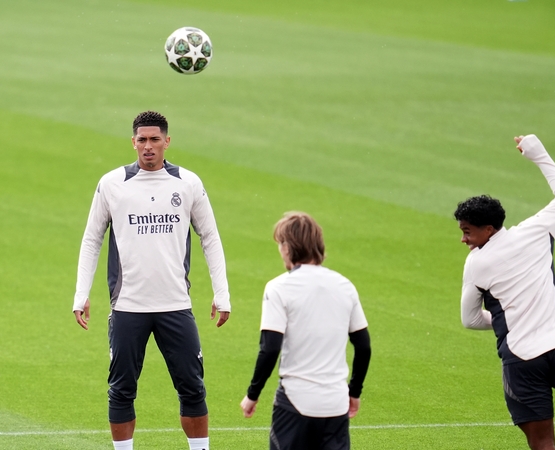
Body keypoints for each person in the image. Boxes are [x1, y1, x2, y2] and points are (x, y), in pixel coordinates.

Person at [73, 111, 231, 450]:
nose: (148, 147)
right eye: (142, 140)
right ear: (133, 142)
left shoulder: (187, 183)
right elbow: (91, 239)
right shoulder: (112, 184)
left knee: (192, 386)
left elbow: (210, 237)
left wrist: (222, 293)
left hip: (175, 305)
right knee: (122, 389)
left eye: (155, 139)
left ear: (167, 142)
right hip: (128, 306)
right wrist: (81, 294)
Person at [456, 135, 555, 450]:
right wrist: (538, 153)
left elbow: (470, 319)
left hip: (522, 360)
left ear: (488, 229)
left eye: (467, 231)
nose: (463, 239)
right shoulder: (537, 230)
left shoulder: (476, 264)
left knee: (543, 443)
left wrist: (502, 319)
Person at [240, 212, 371, 450]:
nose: (280, 251)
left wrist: (253, 394)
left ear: (289, 247)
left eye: (280, 244)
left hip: (295, 403)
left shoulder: (279, 288)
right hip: (335, 404)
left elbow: (269, 349)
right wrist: (354, 392)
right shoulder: (345, 286)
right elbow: (363, 347)